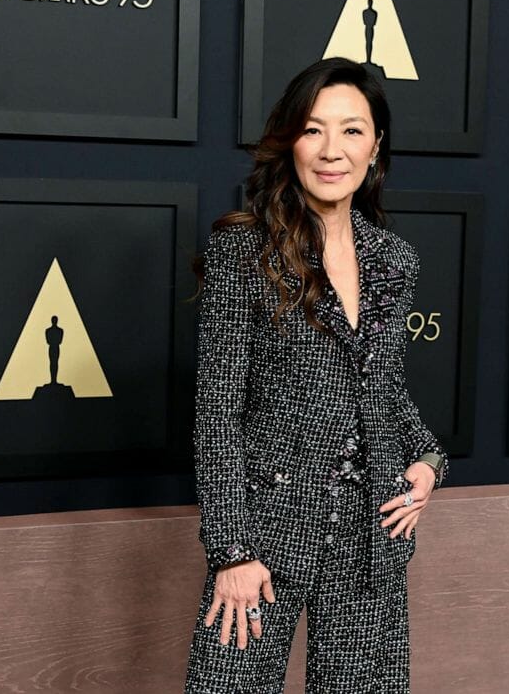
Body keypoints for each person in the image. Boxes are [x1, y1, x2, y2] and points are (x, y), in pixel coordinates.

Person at [184, 57, 449, 693]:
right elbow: (216, 409)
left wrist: (430, 459)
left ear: (376, 145)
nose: (333, 151)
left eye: (352, 131)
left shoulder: (393, 260)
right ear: (290, 142)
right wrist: (231, 550)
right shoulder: (244, 251)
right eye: (313, 130)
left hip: (369, 532)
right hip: (269, 526)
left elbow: (380, 385)